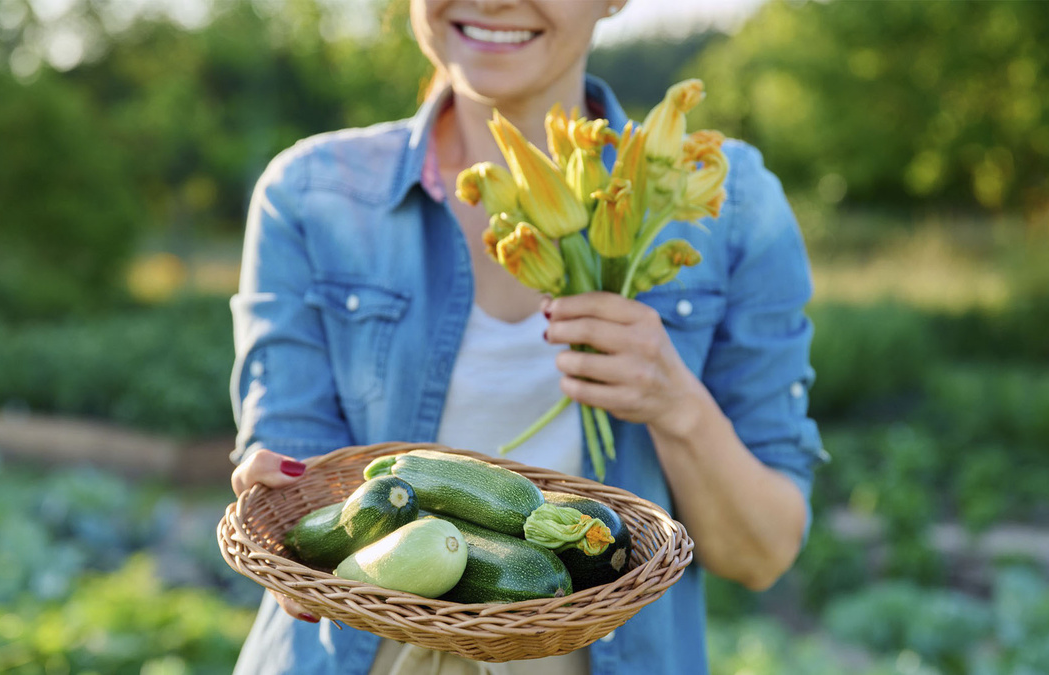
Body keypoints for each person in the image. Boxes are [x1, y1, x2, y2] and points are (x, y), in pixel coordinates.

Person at [227, 1, 826, 673]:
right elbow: (298, 509)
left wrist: (674, 401)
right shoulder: (309, 195)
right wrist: (282, 518)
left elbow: (761, 552)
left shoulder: (731, 201)